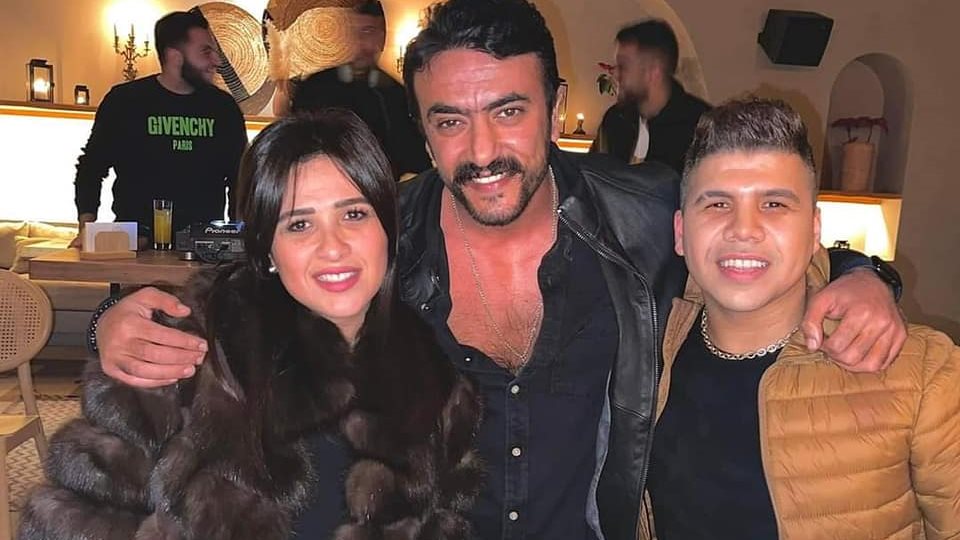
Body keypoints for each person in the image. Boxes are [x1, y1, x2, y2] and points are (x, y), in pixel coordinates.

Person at [89, 1, 907, 539]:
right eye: (450, 122)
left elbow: (750, 246)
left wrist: (865, 276)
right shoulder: (383, 238)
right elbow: (259, 293)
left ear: (554, 106)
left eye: (509, 112)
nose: (481, 152)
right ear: (423, 128)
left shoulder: (643, 214)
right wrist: (114, 323)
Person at [20, 110, 482, 539]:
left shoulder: (431, 375)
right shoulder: (191, 350)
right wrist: (108, 320)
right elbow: (79, 520)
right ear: (268, 249)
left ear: (388, 227)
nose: (333, 246)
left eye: (354, 214)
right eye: (299, 225)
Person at [642, 97, 960, 539]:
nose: (744, 229)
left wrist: (867, 274)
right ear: (680, 232)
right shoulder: (643, 357)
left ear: (814, 231)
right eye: (717, 205)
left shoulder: (925, 372)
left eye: (774, 204)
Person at [72, 11, 248, 248]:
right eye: (206, 52)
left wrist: (238, 239)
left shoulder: (224, 108)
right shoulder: (125, 101)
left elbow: (241, 178)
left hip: (203, 248)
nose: (216, 61)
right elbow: (91, 167)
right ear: (175, 57)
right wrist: (86, 230)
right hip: (134, 244)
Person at [289, 0, 430, 180]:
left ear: (381, 37)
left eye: (367, 32)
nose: (360, 42)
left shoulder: (397, 95)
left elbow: (417, 161)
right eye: (353, 32)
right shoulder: (314, 88)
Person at [590, 19, 710, 175]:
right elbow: (589, 179)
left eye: (624, 66)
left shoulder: (700, 129)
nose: (616, 74)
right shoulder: (614, 121)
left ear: (654, 72)